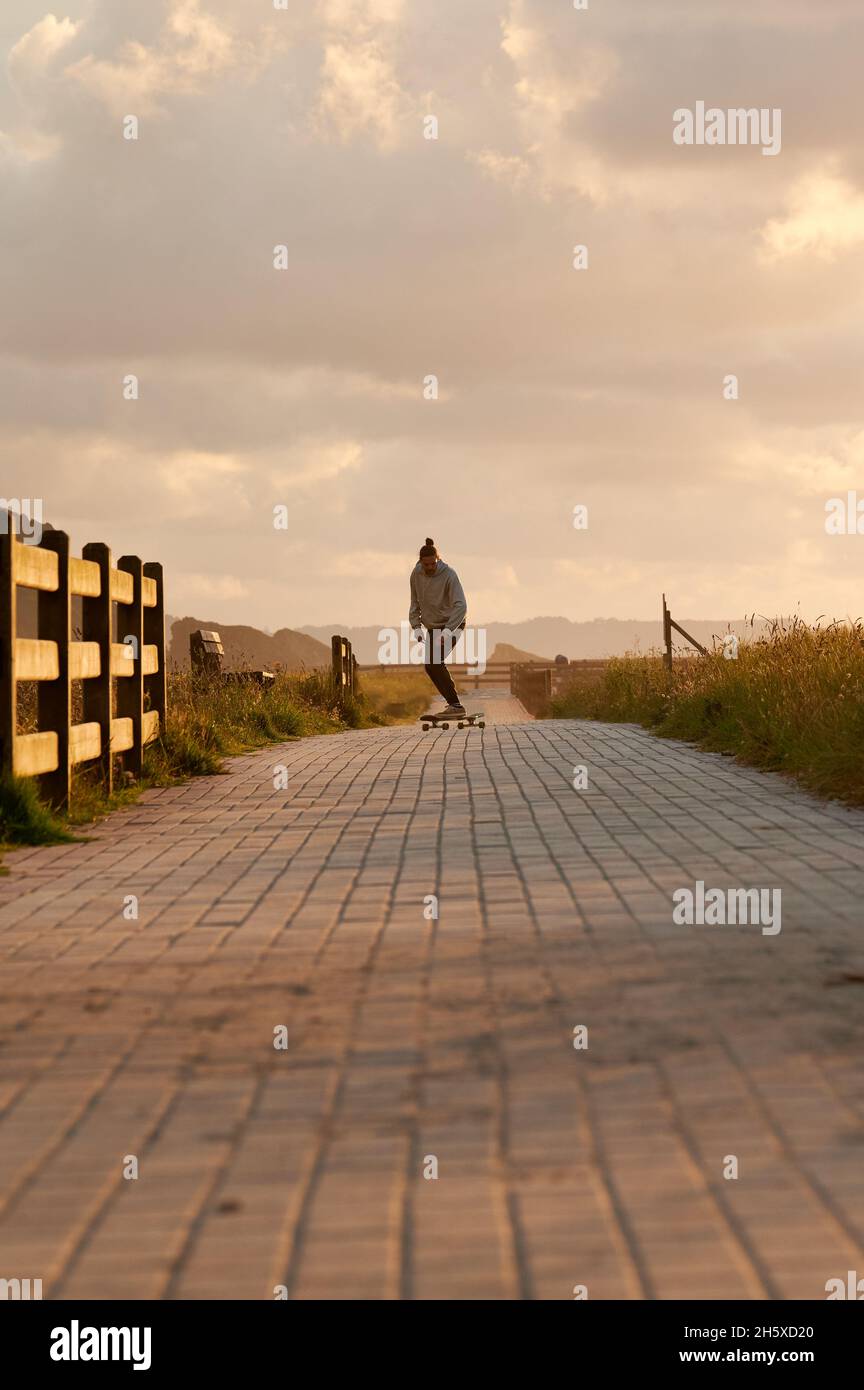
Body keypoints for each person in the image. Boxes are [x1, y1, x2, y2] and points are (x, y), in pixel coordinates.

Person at [409, 537, 467, 717]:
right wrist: (417, 627)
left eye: (433, 564)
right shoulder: (416, 574)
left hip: (453, 624)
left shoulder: (449, 574)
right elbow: (415, 602)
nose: (430, 568)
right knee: (430, 665)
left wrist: (448, 631)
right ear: (420, 562)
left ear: (437, 559)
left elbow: (461, 606)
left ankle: (455, 705)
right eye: (426, 565)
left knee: (435, 661)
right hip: (433, 627)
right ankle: (453, 705)